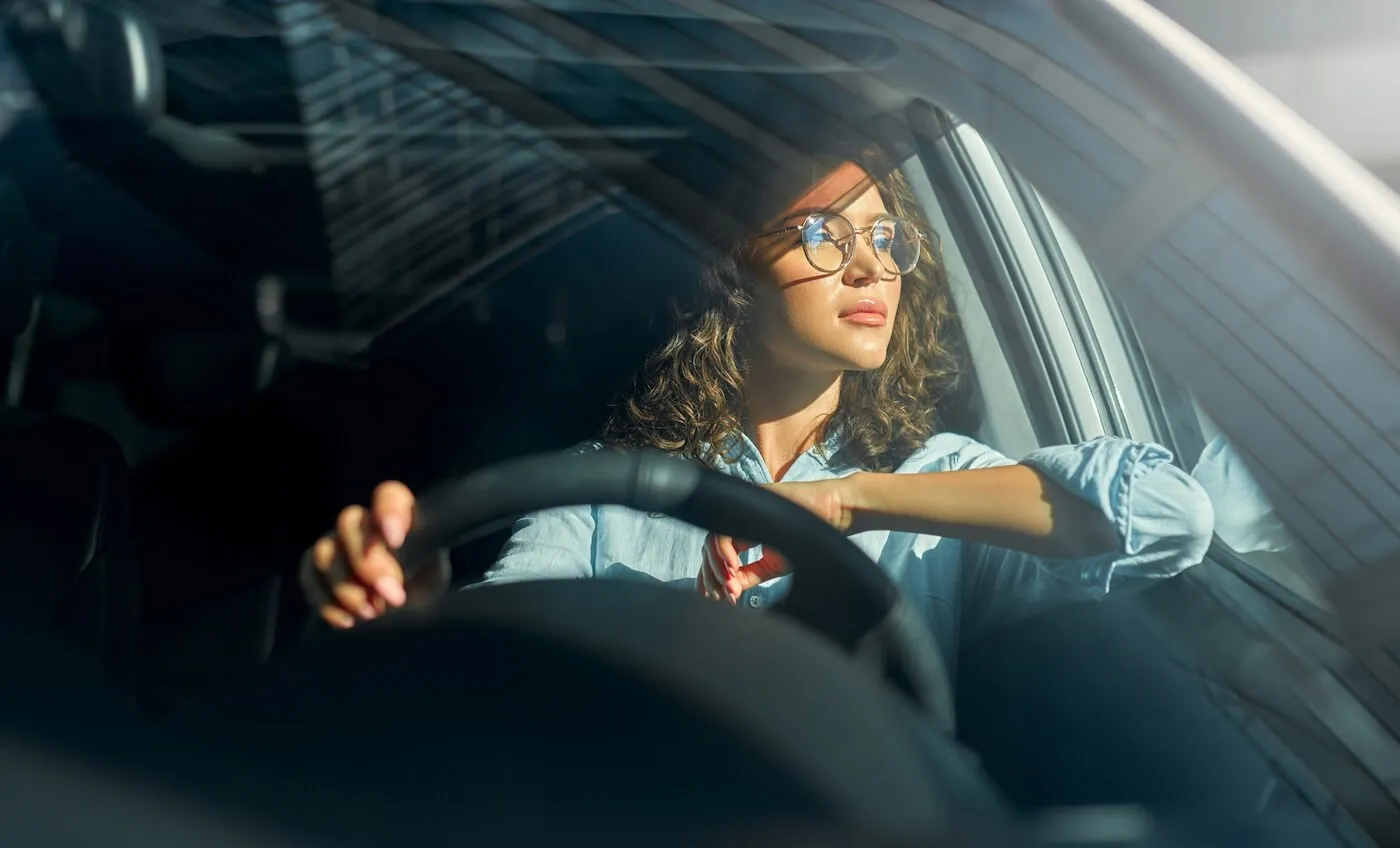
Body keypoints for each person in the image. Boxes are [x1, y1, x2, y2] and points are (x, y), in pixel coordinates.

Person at [297, 145, 1215, 665]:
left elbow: (1169, 518)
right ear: (730, 273)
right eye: (820, 233)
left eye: (884, 236)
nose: (867, 265)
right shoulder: (601, 486)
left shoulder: (930, 485)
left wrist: (848, 501)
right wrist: (414, 616)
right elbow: (499, 656)